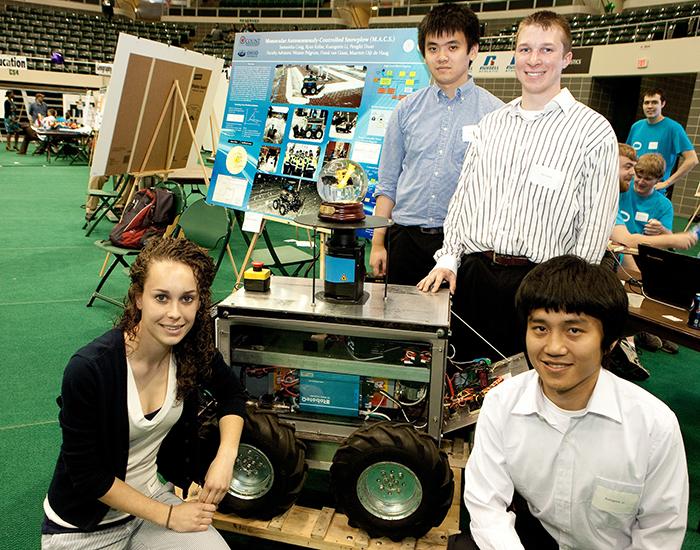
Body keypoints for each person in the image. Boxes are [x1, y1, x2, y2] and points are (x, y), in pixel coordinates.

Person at [418, 11, 618, 361]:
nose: (534, 60)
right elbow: (465, 198)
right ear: (515, 56)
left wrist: (567, 293)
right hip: (476, 276)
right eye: (525, 49)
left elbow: (594, 224)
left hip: (542, 284)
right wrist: (449, 257)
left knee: (529, 388)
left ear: (567, 58)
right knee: (464, 379)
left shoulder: (593, 131)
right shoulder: (492, 124)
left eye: (546, 50)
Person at [463, 255, 689, 549]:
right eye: (540, 328)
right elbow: (486, 505)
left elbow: (660, 532)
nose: (554, 348)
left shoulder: (654, 426)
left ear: (608, 342)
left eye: (574, 330)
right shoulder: (501, 404)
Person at [42, 237, 246, 549]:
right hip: (84, 525)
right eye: (161, 298)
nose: (175, 314)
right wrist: (168, 516)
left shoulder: (191, 350)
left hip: (150, 500)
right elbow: (88, 475)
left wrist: (225, 456)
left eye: (187, 299)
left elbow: (231, 393)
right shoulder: (89, 369)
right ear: (139, 298)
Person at [370, 3, 503, 285]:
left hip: (466, 247)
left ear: (473, 51)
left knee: (457, 326)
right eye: (433, 48)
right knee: (400, 324)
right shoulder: (406, 110)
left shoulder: (496, 114)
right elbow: (388, 182)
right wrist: (378, 243)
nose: (442, 57)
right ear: (424, 54)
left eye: (452, 47)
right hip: (404, 239)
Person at [611, 144, 697, 254]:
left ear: (658, 180)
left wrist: (662, 230)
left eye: (647, 179)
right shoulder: (622, 188)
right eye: (638, 176)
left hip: (636, 251)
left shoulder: (664, 205)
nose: (641, 182)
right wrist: (674, 240)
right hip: (618, 247)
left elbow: (666, 239)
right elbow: (626, 239)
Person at [626, 88, 698, 196]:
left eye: (654, 102)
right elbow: (627, 156)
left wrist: (667, 183)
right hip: (631, 190)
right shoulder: (636, 127)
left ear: (663, 104)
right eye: (646, 103)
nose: (650, 106)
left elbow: (692, 159)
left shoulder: (673, 128)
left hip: (654, 192)